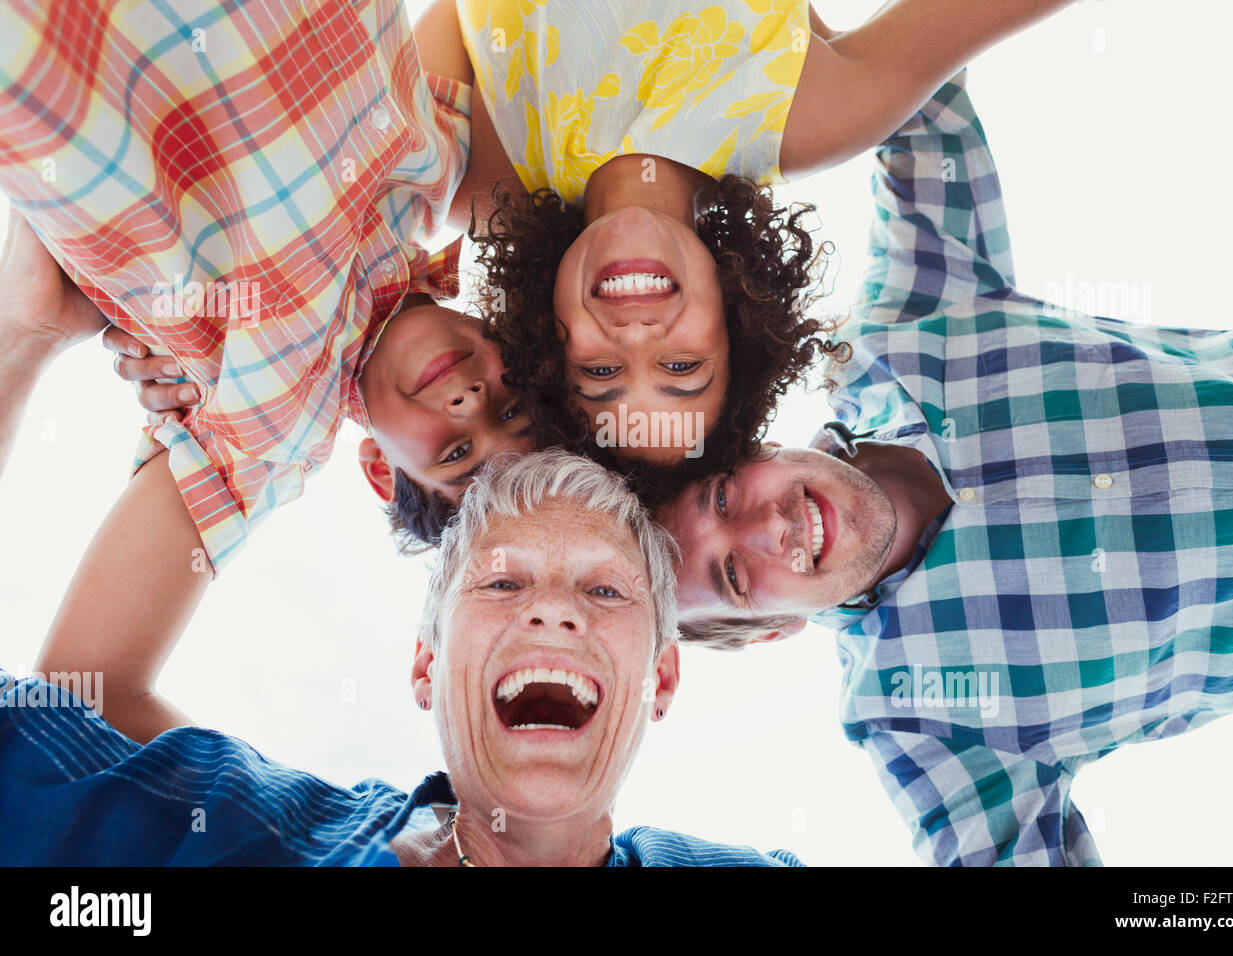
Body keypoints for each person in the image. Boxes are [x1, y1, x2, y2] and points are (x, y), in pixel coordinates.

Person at [653, 70, 1233, 864]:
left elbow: (910, 92)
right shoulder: (916, 717)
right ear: (776, 630)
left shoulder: (899, 334)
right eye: (736, 578)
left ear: (748, 444)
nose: (766, 527)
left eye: (723, 496)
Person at [0, 0, 541, 742]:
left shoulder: (269, 435)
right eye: (512, 409)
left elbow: (82, 696)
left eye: (454, 454)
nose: (473, 400)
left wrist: (21, 331)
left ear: (382, 472)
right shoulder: (442, 174)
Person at [0, 445, 802, 867]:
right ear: (425, 667)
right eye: (501, 582)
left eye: (603, 593)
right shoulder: (237, 826)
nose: (552, 608)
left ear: (660, 676)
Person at [443, 0, 1074, 484]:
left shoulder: (471, 178)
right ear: (737, 325)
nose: (635, 335)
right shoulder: (822, 114)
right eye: (682, 367)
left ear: (548, 345)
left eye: (600, 371)